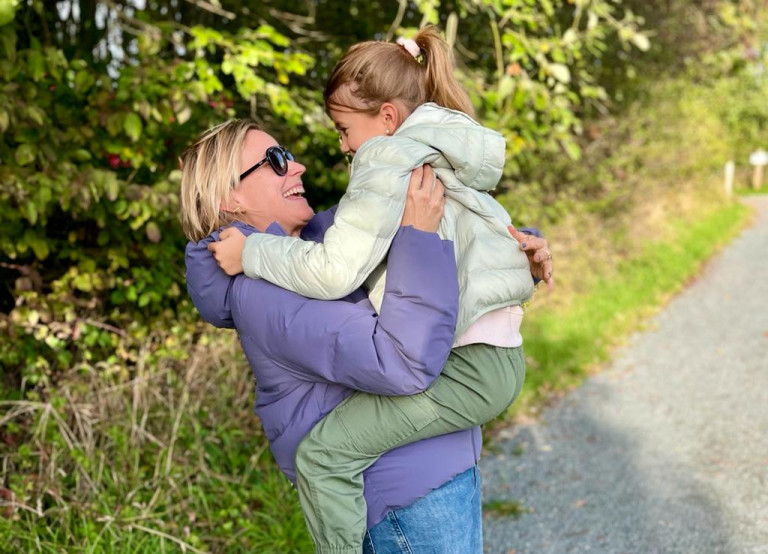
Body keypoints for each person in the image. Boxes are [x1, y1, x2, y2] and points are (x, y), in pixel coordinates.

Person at [207, 26, 553, 554]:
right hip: (450, 425)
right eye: (277, 161)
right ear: (228, 197)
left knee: (323, 456)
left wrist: (251, 251)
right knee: (325, 454)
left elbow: (348, 281)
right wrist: (515, 264)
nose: (325, 152)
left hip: (458, 406)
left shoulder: (384, 164)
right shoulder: (429, 151)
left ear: (386, 117)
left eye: (343, 129)